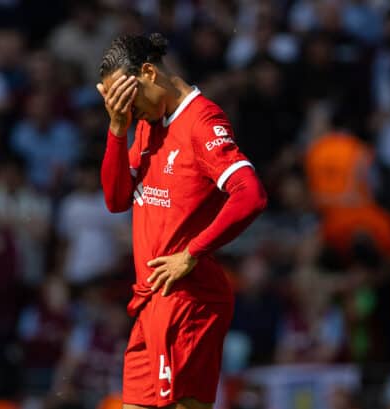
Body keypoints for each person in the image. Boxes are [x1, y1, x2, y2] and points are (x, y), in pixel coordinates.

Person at [97, 33, 268, 409]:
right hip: (150, 302)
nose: (128, 108)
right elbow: (115, 200)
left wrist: (192, 252)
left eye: (128, 98)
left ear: (148, 73)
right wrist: (116, 129)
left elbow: (250, 193)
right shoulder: (145, 123)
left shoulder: (201, 121)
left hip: (188, 303)